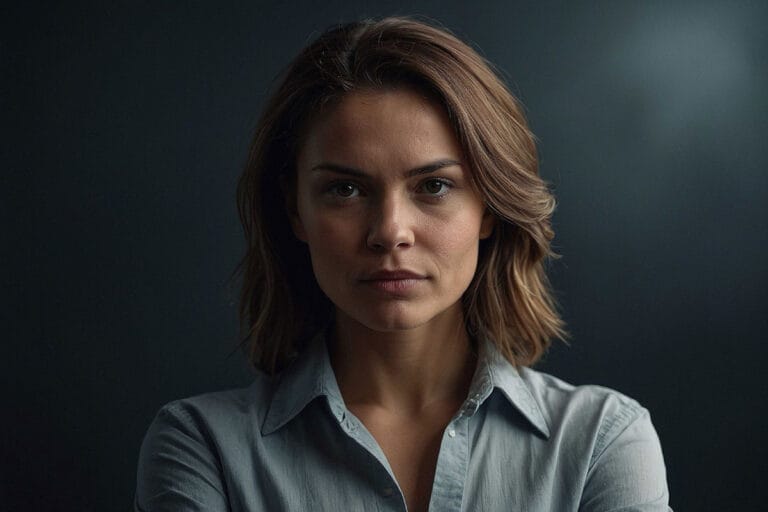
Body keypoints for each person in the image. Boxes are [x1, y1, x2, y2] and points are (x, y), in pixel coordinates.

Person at [134, 16, 671, 512]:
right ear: (295, 210)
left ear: (490, 208)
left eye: (434, 186)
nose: (390, 230)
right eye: (344, 189)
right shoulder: (202, 447)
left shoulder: (603, 441)